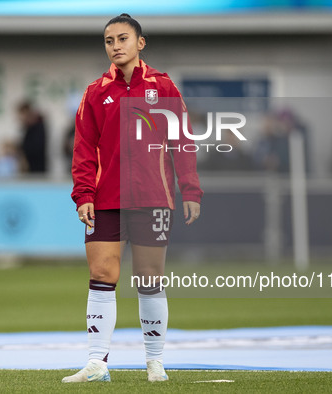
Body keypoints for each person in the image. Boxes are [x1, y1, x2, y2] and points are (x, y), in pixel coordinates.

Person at [65, 14, 203, 383]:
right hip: (106, 198)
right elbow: (84, 149)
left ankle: (155, 362)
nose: (115, 46)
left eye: (123, 38)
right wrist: (83, 195)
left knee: (149, 277)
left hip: (153, 198)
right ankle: (97, 363)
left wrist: (190, 189)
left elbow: (182, 143)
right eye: (109, 41)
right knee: (102, 274)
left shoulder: (164, 87)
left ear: (140, 43)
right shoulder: (95, 92)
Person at [17, 101, 47, 173]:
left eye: (22, 114)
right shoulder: (27, 128)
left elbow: (36, 148)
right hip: (30, 168)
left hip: (37, 169)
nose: (20, 118)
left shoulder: (38, 127)